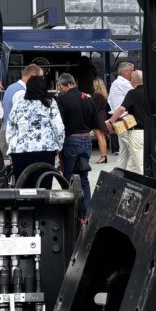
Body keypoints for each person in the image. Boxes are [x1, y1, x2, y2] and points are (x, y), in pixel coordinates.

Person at [55, 72, 98, 219]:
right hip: (86, 140)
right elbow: (95, 122)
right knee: (83, 176)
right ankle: (86, 213)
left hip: (71, 140)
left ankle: (70, 213)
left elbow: (59, 123)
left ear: (62, 85)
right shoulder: (87, 98)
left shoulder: (62, 99)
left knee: (68, 177)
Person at [6, 75, 64, 181]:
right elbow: (58, 127)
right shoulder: (50, 103)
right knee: (43, 185)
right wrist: (59, 146)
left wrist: (11, 145)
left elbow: (10, 127)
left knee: (23, 186)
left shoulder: (19, 103)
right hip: (45, 149)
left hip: (20, 151)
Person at [109, 70, 150, 174]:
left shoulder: (132, 93)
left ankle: (144, 183)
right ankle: (127, 182)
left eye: (131, 78)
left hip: (137, 132)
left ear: (134, 80)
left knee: (140, 164)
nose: (130, 80)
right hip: (150, 131)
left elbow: (121, 109)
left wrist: (111, 121)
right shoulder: (151, 92)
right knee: (133, 164)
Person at [91, 77, 111, 164]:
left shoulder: (96, 96)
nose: (92, 86)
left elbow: (94, 108)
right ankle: (104, 156)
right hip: (102, 116)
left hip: (97, 117)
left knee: (99, 137)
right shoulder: (103, 95)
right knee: (102, 137)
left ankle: (103, 157)